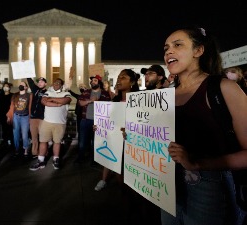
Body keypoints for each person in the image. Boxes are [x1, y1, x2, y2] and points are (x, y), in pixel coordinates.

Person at [161, 26, 247, 225]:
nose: (169, 52)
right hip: (166, 185)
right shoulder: (163, 96)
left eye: (178, 45)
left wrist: (197, 163)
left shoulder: (224, 89)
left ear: (198, 51)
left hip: (209, 188)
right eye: (166, 48)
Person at [94, 69, 140, 191]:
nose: (119, 80)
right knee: (118, 172)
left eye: (123, 77)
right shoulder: (114, 101)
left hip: (132, 144)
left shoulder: (140, 101)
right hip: (115, 141)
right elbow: (109, 120)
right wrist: (100, 126)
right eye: (119, 77)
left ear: (132, 82)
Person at [29, 78, 71, 170]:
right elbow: (43, 101)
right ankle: (41, 161)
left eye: (58, 83)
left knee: (57, 142)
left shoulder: (66, 93)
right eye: (55, 82)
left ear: (61, 85)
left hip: (60, 123)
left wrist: (51, 99)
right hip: (47, 122)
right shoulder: (47, 92)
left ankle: (56, 159)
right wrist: (57, 103)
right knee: (43, 141)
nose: (56, 84)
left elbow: (66, 100)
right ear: (52, 84)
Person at [75, 75, 111, 164]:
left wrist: (98, 101)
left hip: (98, 122)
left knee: (95, 142)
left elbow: (109, 105)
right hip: (85, 120)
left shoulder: (105, 93)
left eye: (95, 80)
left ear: (99, 82)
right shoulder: (86, 92)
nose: (92, 82)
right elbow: (80, 103)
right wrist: (90, 101)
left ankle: (94, 159)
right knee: (82, 142)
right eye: (92, 81)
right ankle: (80, 158)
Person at [6, 81, 32, 157]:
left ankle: (25, 149)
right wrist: (9, 116)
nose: (21, 85)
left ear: (26, 87)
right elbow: (11, 106)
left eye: (23, 85)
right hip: (16, 116)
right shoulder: (15, 95)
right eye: (20, 84)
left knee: (24, 134)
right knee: (15, 134)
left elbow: (30, 106)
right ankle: (16, 149)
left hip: (25, 117)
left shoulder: (29, 95)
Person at [26, 77, 47, 158]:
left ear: (45, 84)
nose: (40, 83)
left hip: (42, 118)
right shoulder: (35, 90)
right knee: (34, 137)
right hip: (33, 117)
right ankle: (35, 153)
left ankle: (43, 152)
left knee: (43, 137)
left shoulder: (48, 92)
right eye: (39, 82)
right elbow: (30, 81)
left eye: (42, 82)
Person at [0, 82, 13, 148]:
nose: (5, 88)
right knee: (4, 129)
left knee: (10, 129)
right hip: (2, 115)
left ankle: (11, 142)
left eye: (7, 86)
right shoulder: (1, 95)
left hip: (10, 115)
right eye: (4, 86)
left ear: (9, 88)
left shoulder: (12, 96)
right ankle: (5, 142)